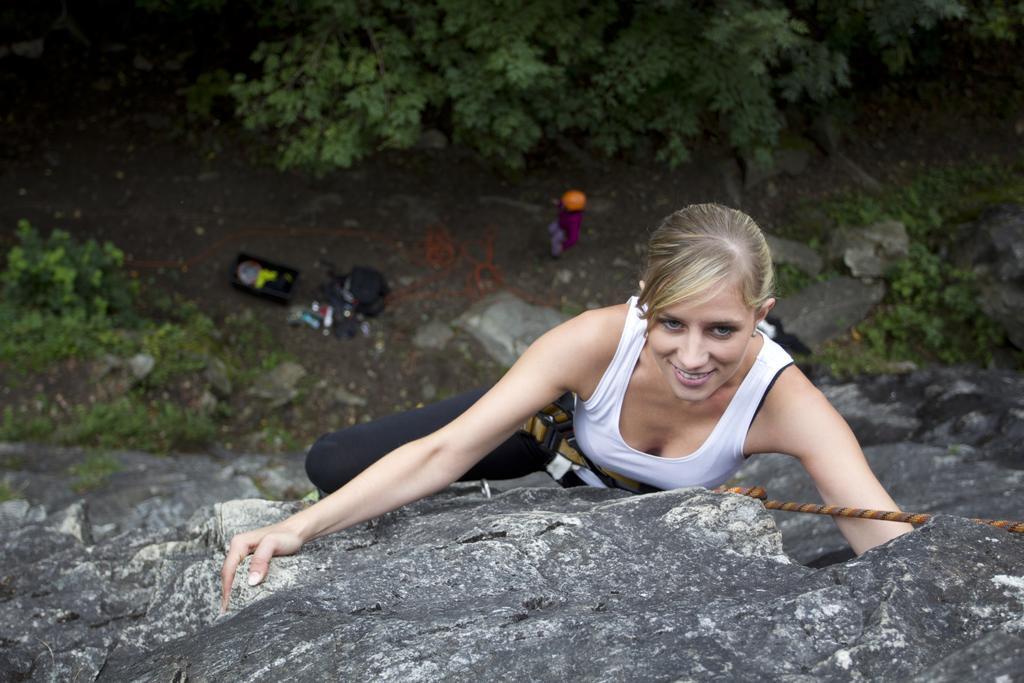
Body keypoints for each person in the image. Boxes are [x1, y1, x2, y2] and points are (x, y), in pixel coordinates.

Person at [220, 203, 912, 611]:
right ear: (643, 299)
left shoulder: (784, 401)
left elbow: (883, 535)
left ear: (762, 316)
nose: (694, 357)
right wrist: (299, 528)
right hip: (551, 437)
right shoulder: (594, 342)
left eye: (722, 330)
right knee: (332, 462)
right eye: (672, 323)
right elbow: (444, 449)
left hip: (627, 502)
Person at [547, 189, 586, 257]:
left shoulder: (573, 221)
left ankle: (555, 254)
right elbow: (562, 205)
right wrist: (558, 203)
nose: (563, 203)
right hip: (560, 223)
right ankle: (554, 238)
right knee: (551, 228)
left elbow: (573, 238)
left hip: (564, 231)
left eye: (565, 202)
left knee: (555, 241)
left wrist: (563, 246)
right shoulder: (569, 208)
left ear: (570, 207)